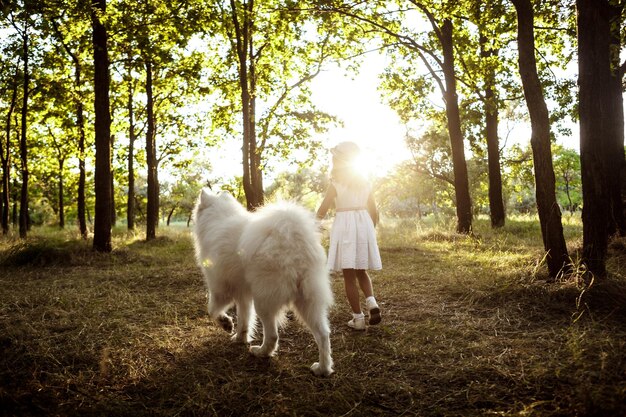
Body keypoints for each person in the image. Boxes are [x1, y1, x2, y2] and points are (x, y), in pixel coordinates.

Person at [316, 141, 382, 330]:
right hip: (363, 223)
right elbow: (374, 211)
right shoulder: (366, 183)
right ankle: (372, 303)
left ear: (339, 161)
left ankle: (358, 318)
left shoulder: (336, 183)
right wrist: (370, 230)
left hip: (345, 225)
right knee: (362, 270)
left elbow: (324, 207)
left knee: (348, 275)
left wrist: (314, 225)